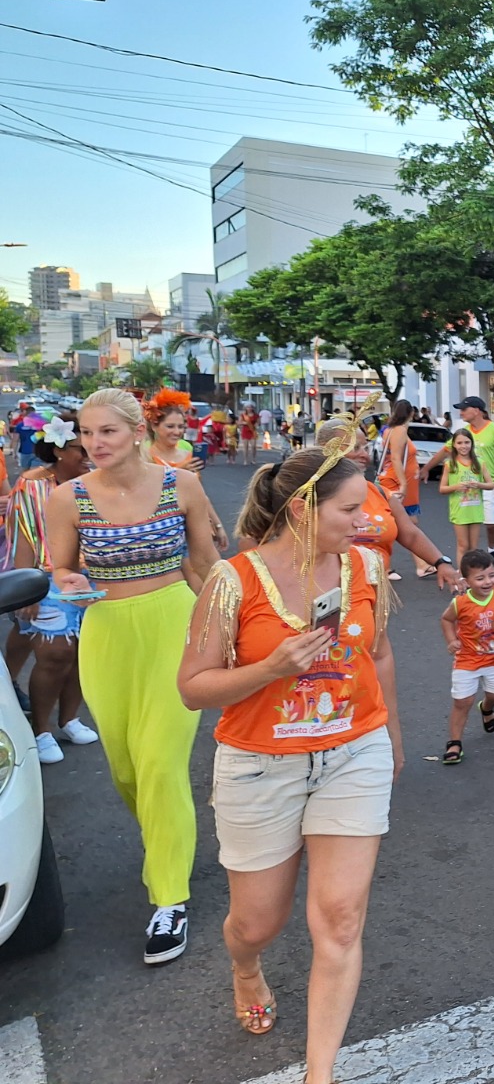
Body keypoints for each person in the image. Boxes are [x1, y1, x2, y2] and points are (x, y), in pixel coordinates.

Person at [177, 446, 400, 1082]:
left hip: (354, 754)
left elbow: (376, 652)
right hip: (259, 765)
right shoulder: (234, 581)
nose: (365, 520)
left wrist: (394, 737)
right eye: (351, 509)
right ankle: (245, 968)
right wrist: (272, 668)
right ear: (303, 509)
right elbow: (193, 686)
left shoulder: (367, 568)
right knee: (256, 923)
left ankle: (318, 1072)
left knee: (339, 917)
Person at [47, 387, 220, 962]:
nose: (94, 443)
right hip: (106, 635)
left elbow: (203, 565)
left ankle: (169, 898)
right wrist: (66, 581)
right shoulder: (68, 497)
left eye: (107, 432)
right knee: (124, 766)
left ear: (136, 432)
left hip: (173, 623)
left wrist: (232, 629)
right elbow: (61, 566)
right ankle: (164, 843)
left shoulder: (181, 485)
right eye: (86, 433)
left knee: (160, 763)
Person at [8, 412, 99, 763]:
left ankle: (69, 718)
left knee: (83, 653)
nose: (89, 451)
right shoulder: (32, 485)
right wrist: (25, 588)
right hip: (44, 578)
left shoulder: (96, 482)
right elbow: (23, 538)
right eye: (81, 445)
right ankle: (41, 729)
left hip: (93, 579)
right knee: (54, 653)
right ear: (60, 450)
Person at [312, 417, 459, 591]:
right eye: (355, 448)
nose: (365, 455)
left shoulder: (380, 493)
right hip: (324, 596)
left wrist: (440, 562)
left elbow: (410, 534)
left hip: (371, 597)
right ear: (327, 449)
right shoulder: (307, 496)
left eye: (365, 447)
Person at [441, 547, 494, 766]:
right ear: (466, 580)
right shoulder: (460, 603)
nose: (488, 581)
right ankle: (454, 742)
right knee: (462, 701)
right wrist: (451, 640)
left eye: (492, 575)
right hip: (467, 659)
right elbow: (446, 620)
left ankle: (487, 708)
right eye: (480, 578)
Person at [452, 396, 494, 561]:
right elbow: (448, 452)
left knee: (491, 524)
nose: (461, 412)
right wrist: (427, 468)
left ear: (476, 411)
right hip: (468, 486)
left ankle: (492, 550)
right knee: (470, 524)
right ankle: (473, 558)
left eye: (464, 409)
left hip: (490, 483)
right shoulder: (464, 433)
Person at [376, 400, 427, 579]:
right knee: (393, 523)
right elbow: (396, 459)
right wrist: (403, 484)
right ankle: (386, 566)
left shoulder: (392, 430)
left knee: (409, 523)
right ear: (411, 413)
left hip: (404, 483)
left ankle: (422, 564)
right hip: (397, 482)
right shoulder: (399, 431)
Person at [441, 428, 492, 562]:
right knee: (463, 545)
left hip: (475, 510)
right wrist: (456, 487)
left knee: (473, 547)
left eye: (466, 442)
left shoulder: (479, 463)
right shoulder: (450, 464)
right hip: (460, 510)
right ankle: (462, 575)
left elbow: (491, 484)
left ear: (471, 444)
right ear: (454, 445)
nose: (463, 446)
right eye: (459, 443)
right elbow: (442, 488)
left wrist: (478, 484)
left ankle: (472, 574)